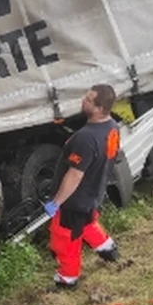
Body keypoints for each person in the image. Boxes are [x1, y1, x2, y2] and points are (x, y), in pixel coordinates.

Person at [42, 84, 122, 289]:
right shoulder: (112, 126)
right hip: (92, 193)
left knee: (65, 239)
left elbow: (75, 175)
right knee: (87, 222)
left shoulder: (86, 138)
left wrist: (57, 202)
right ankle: (107, 248)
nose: (83, 101)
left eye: (88, 99)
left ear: (99, 108)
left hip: (74, 199)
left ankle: (68, 278)